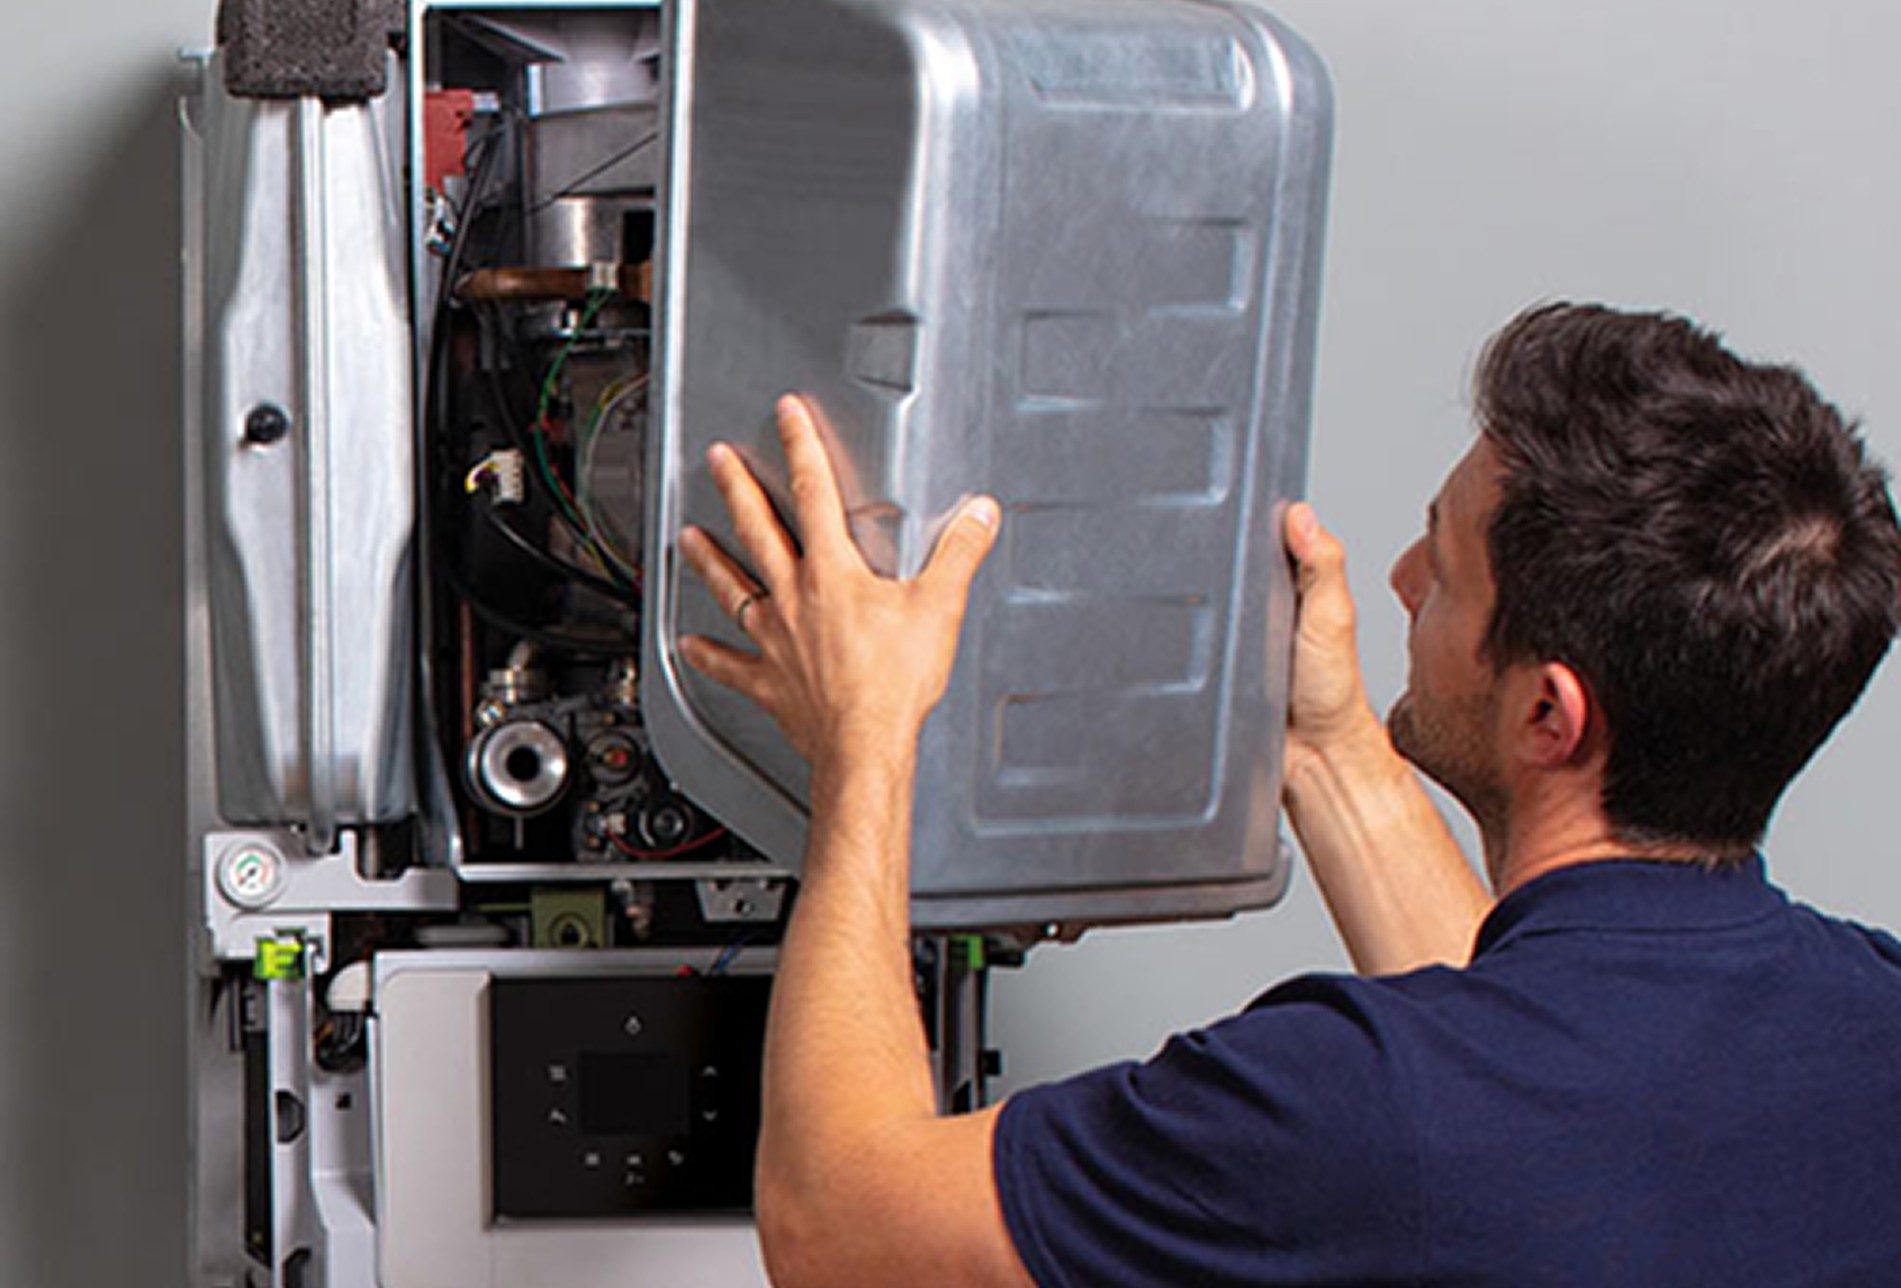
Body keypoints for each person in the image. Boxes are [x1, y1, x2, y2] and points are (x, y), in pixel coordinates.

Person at [675, 302, 1901, 1287]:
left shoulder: (1338, 1101)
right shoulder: (1873, 1023)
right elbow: (1531, 1078)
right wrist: (1321, 747)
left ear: (1549, 715)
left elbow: (837, 1226)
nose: (1407, 578)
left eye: (1447, 562)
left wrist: (863, 738)